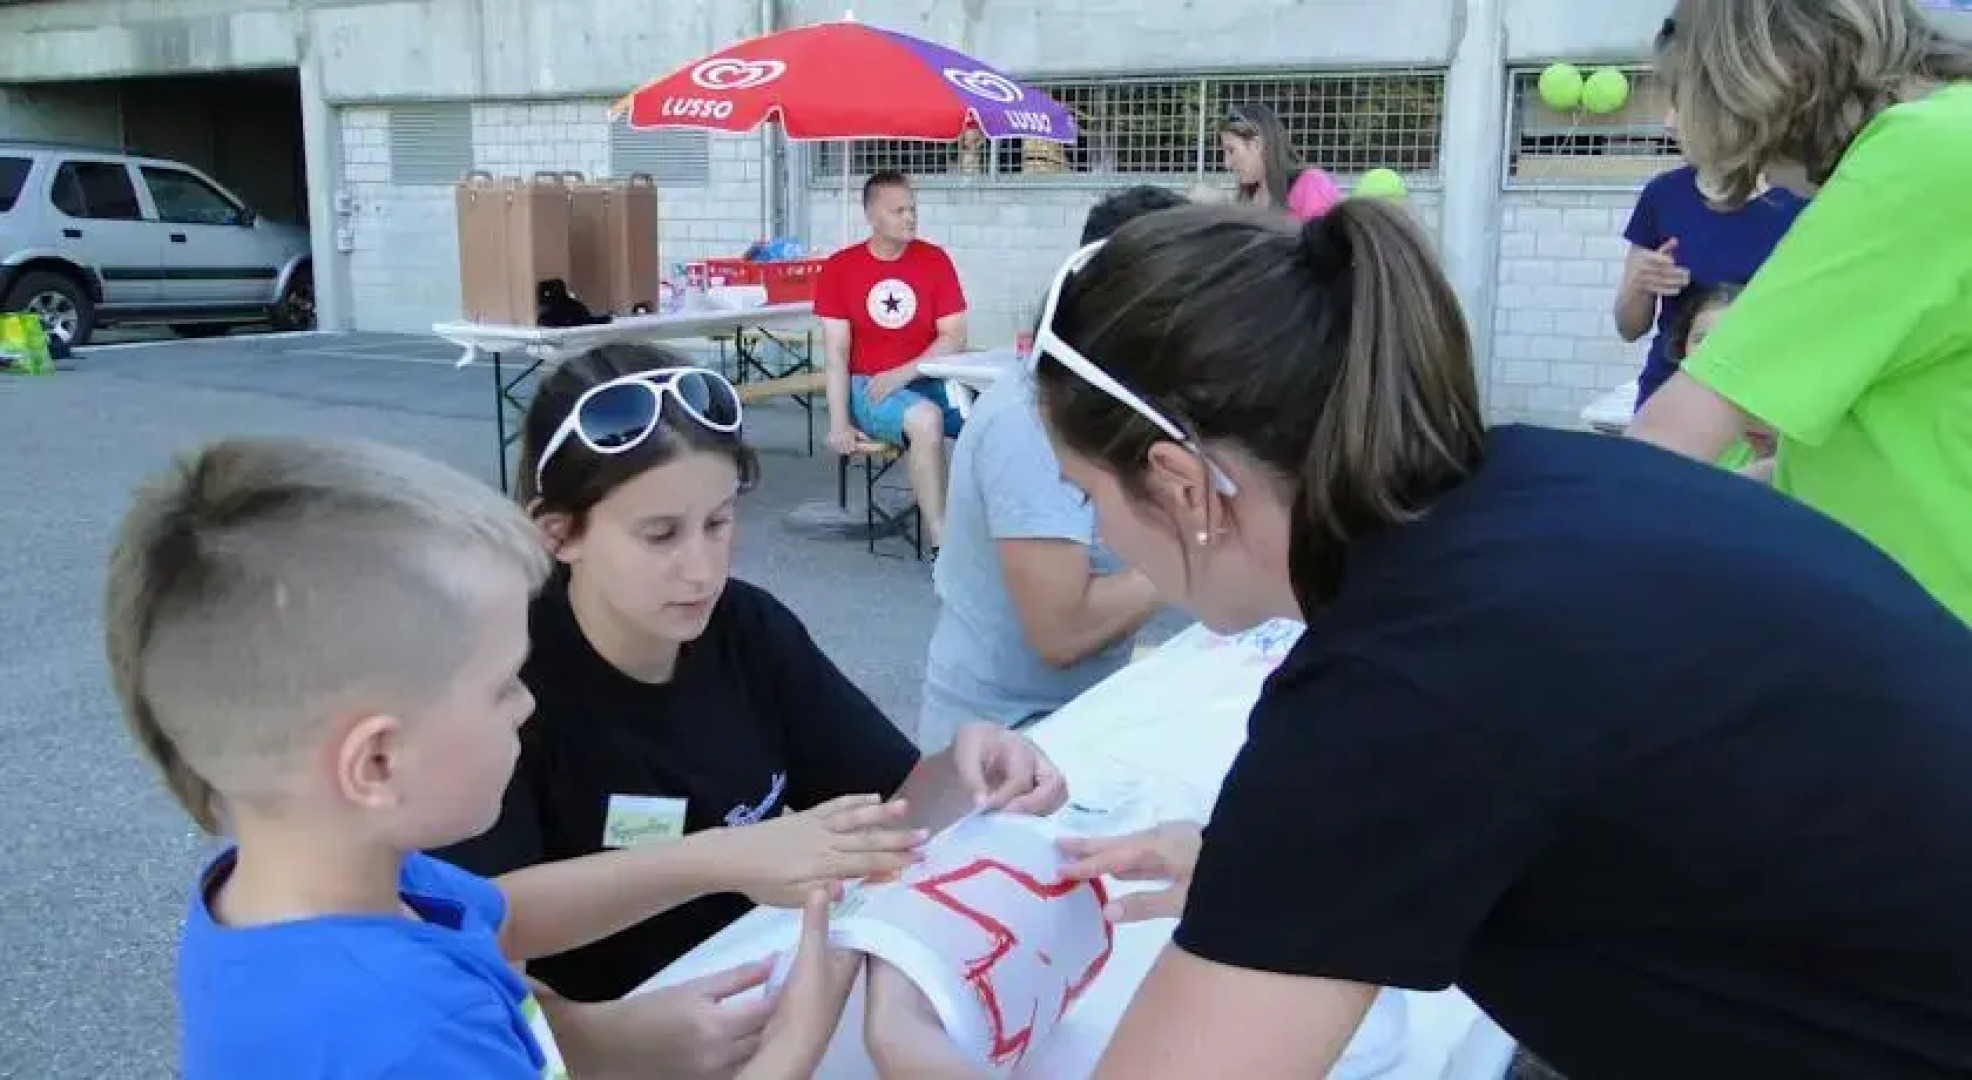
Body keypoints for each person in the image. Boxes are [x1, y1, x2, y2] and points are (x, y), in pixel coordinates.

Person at [873, 200, 1972, 1080]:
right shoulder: (1526, 488)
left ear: (1180, 482)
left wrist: (908, 1027)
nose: (1097, 532)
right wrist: (1266, 870)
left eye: (1083, 493)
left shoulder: (1400, 678)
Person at [105, 435, 860, 1079]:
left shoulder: (313, 880)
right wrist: (792, 1047)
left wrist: (718, 860)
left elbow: (506, 917)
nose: (528, 705)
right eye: (503, 687)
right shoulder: (408, 1032)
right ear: (376, 764)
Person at [435, 344, 1067, 1072]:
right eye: (660, 534)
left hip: (770, 1005)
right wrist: (719, 861)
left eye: (720, 522)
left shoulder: (746, 629)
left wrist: (967, 766)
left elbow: (888, 803)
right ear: (557, 533)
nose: (702, 569)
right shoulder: (499, 675)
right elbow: (474, 918)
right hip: (608, 1039)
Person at [1628, 0, 1972, 623]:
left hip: (1929, 627)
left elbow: (1669, 437)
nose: (1774, 181)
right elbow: (1897, 439)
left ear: (1770, 85)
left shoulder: (1920, 155)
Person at [917, 186, 1179, 750]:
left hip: (1075, 720)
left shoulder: (1111, 399)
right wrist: (1198, 547)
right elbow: (1063, 632)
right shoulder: (1033, 422)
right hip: (1005, 745)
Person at [818, 170, 970, 550]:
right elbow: (836, 353)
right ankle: (944, 545)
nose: (910, 218)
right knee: (926, 420)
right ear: (871, 216)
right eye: (898, 211)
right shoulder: (840, 268)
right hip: (869, 386)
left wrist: (906, 372)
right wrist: (839, 423)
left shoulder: (934, 260)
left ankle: (1003, 533)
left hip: (928, 376)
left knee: (994, 418)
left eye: (912, 209)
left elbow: (954, 335)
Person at [1612, 120, 1805, 409]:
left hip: (1760, 402)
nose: (1669, 122)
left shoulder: (1799, 201)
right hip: (1671, 393)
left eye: (1683, 106)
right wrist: (1640, 285)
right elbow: (1629, 329)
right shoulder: (1663, 194)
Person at [1219, 102, 1341, 222]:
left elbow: (1324, 239)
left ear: (1256, 145)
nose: (1227, 163)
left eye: (1231, 150)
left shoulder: (1312, 184)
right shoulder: (1248, 193)